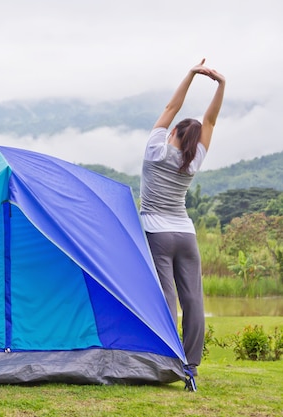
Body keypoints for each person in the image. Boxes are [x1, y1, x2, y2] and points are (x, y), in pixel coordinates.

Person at [140, 59, 225, 377]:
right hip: (185, 234)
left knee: (166, 296)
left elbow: (171, 106)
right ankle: (191, 365)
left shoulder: (155, 152)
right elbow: (211, 121)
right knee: (193, 299)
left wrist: (191, 74)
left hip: (156, 232)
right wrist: (221, 85)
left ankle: (165, 357)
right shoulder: (192, 163)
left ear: (172, 132)